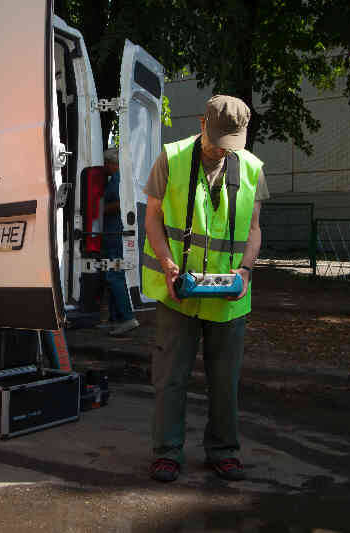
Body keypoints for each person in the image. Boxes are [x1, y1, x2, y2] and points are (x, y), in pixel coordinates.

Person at [142, 95, 270, 482]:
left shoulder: (251, 168)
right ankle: (166, 453)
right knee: (170, 378)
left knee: (224, 381)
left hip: (229, 297)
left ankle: (224, 451)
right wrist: (167, 265)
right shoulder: (172, 157)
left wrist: (245, 271)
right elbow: (151, 220)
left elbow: (253, 230)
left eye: (230, 141)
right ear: (201, 123)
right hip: (179, 293)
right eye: (216, 138)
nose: (221, 148)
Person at [101, 148, 140, 336]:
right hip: (113, 233)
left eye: (106, 163)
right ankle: (115, 319)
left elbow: (120, 203)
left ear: (111, 163)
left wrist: (101, 209)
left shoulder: (117, 179)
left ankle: (127, 318)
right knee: (114, 273)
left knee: (114, 275)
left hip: (115, 232)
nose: (104, 167)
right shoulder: (119, 178)